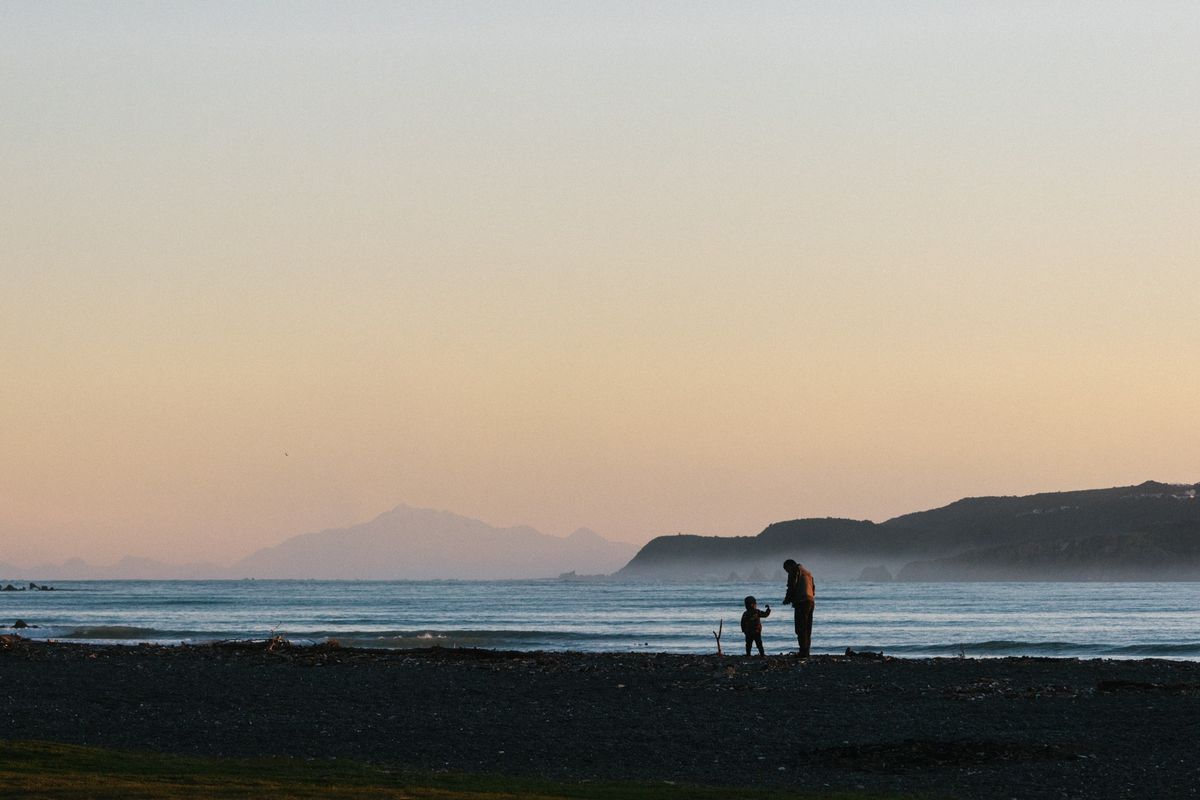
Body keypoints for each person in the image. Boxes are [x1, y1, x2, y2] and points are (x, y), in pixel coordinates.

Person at [782, 559, 815, 658]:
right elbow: (813, 588)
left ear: (789, 566)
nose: (787, 572)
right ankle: (806, 651)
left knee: (800, 628)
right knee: (807, 628)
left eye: (786, 570)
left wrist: (787, 599)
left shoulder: (795, 570)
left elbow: (792, 585)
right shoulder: (808, 572)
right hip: (810, 601)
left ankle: (803, 652)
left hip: (801, 602)